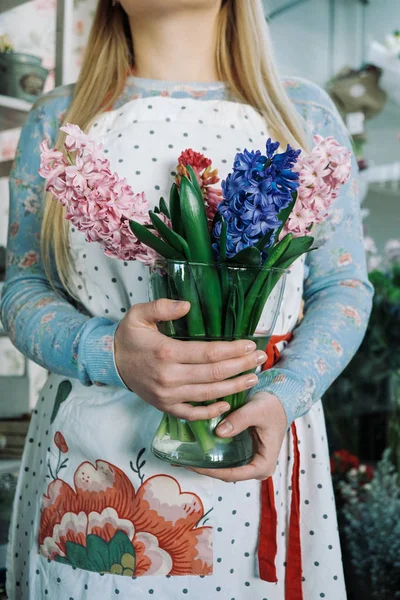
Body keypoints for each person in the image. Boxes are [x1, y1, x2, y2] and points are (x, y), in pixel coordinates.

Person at [1, 0, 373, 598]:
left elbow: (344, 287)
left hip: (253, 442)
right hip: (94, 466)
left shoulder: (302, 112)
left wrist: (285, 394)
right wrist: (109, 353)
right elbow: (23, 288)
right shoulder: (59, 117)